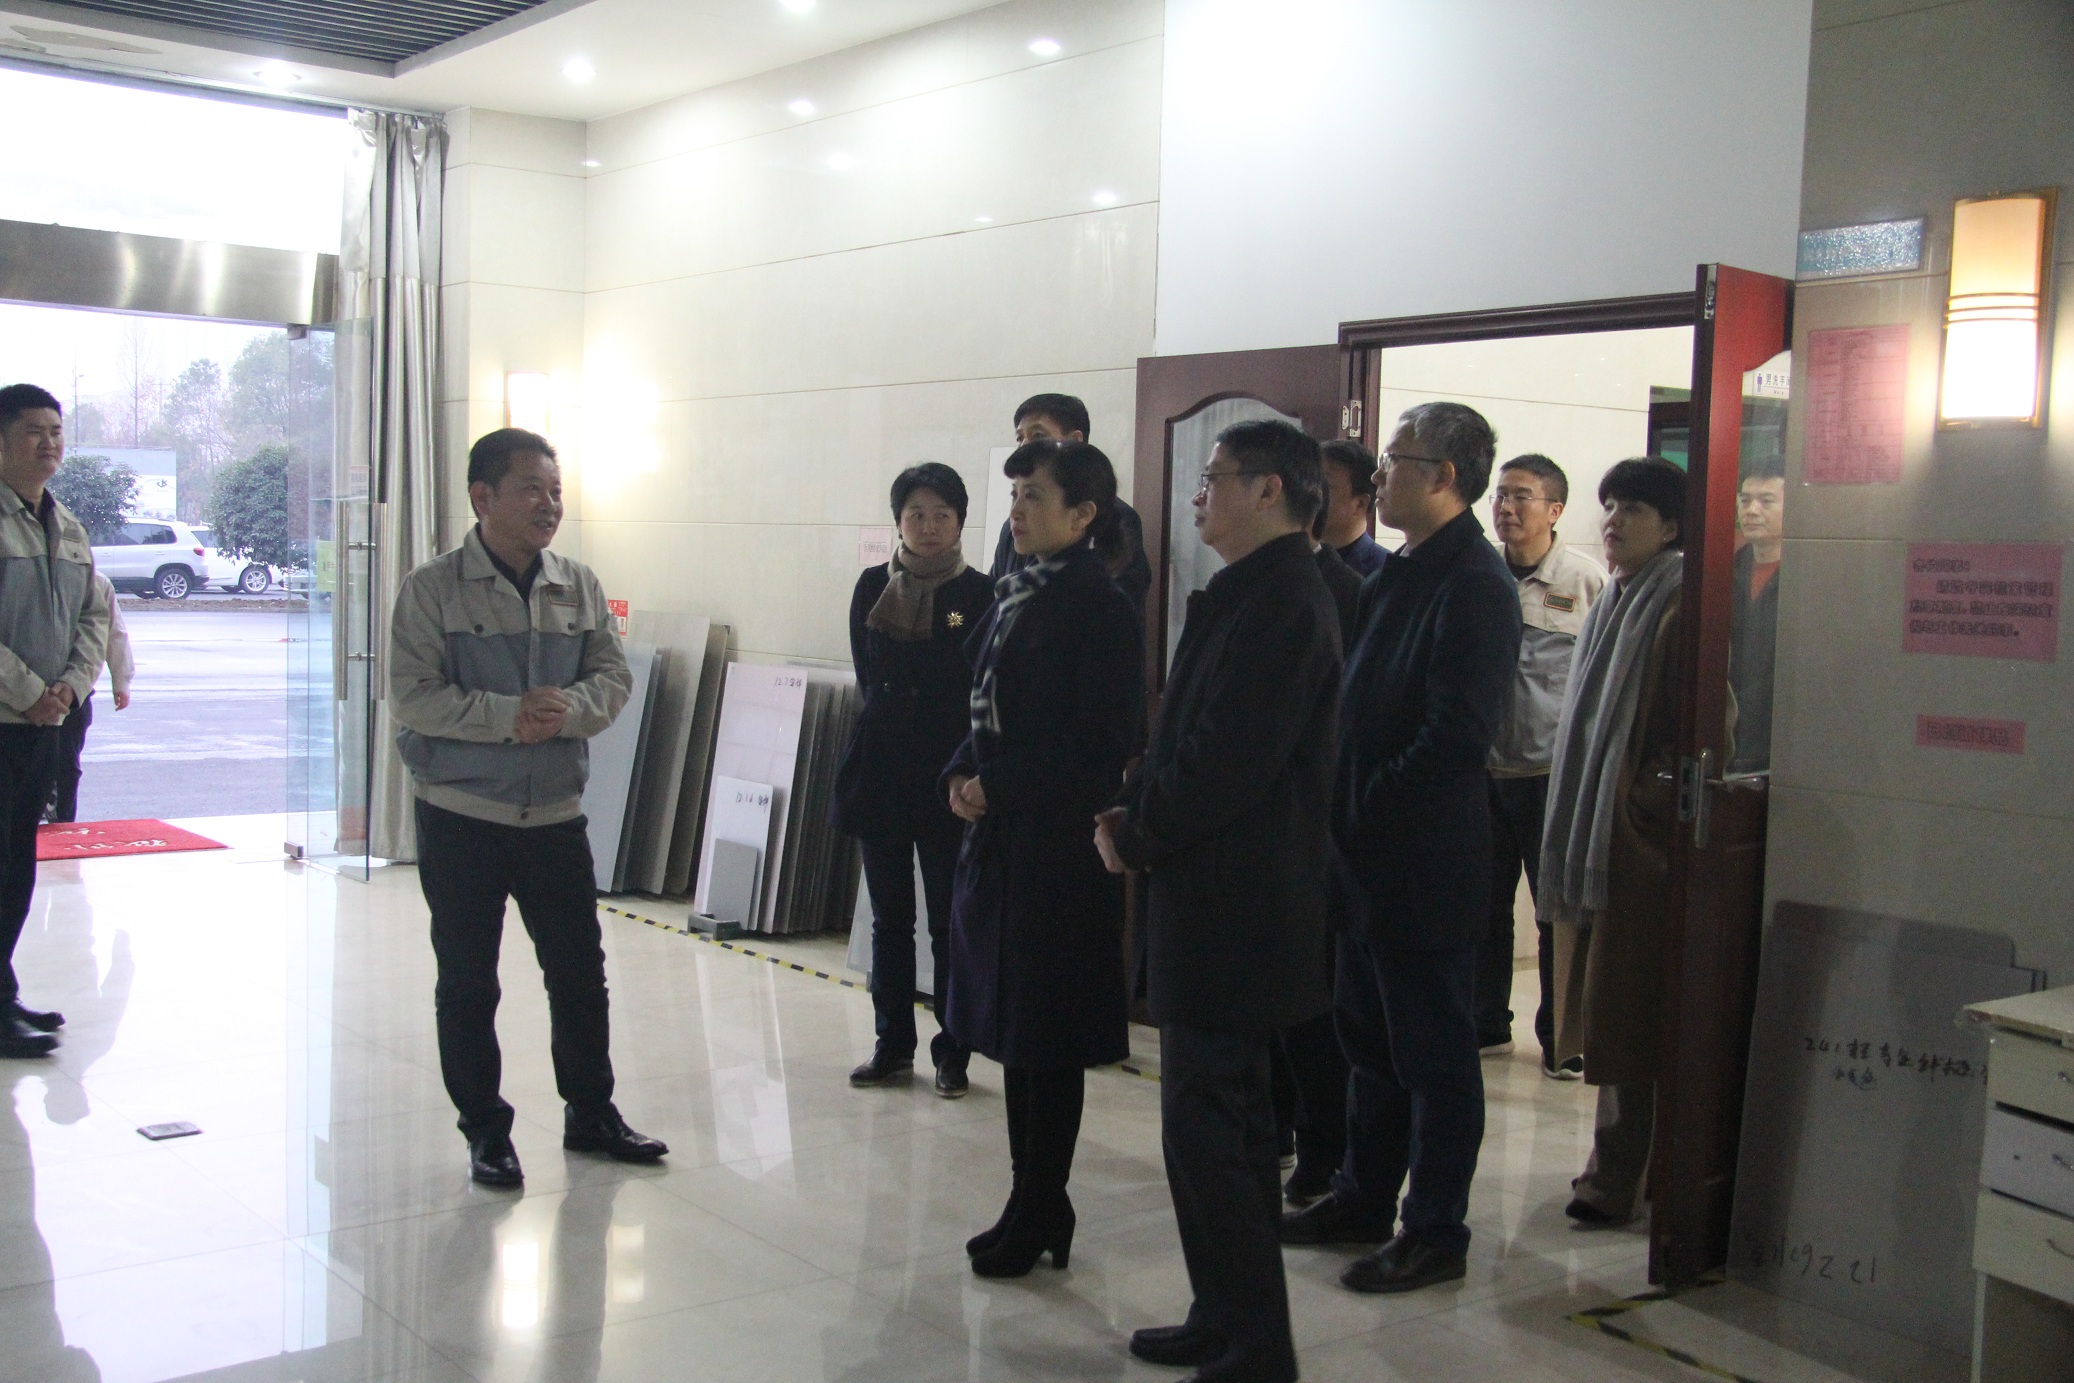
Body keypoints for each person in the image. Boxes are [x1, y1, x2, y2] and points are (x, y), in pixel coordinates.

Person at [1098, 419, 1340, 1383]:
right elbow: (1185, 738)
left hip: (1240, 906)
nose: (1198, 496)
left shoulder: (1286, 602)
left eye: (1215, 478)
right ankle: (1223, 1312)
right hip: (1210, 896)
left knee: (1220, 1132)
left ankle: (1256, 1345)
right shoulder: (1248, 591)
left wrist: (1138, 830)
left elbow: (1228, 764)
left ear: (1270, 489)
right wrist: (1138, 800)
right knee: (1207, 1129)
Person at [1281, 402, 1521, 1295]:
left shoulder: (1476, 584)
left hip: (1423, 860)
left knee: (1434, 1060)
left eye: (1395, 459)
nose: (1379, 475)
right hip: (1362, 858)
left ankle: (1435, 1229)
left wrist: (1364, 807)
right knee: (1368, 1044)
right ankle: (1362, 1196)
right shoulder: (1400, 570)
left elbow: (1454, 736)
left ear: (1445, 476)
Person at [390, 427, 665, 1187]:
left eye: (555, 490)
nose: (549, 505)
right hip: (462, 816)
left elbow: (612, 678)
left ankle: (591, 1112)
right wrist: (507, 716)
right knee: (469, 981)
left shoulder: (577, 584)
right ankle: (485, 1129)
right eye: (531, 490)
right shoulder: (431, 589)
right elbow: (412, 695)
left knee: (578, 973)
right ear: (482, 497)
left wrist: (566, 710)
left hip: (553, 816)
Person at [944, 438, 1141, 1278]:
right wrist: (962, 772)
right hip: (1004, 841)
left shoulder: (1097, 605)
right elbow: (985, 708)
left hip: (1058, 848)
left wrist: (998, 784)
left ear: (1084, 514)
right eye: (1016, 494)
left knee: (1047, 1036)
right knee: (1015, 1033)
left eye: (1035, 496)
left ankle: (1042, 1199)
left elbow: (1100, 742)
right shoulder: (1016, 591)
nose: (1018, 510)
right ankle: (1032, 1199)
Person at [1539, 457, 1689, 1228]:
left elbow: (1702, 730)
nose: (1614, 521)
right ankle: (1623, 1170)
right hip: (1602, 839)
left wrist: (1638, 807)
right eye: (1611, 506)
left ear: (1671, 526)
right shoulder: (1616, 600)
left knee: (1630, 1015)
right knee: (1610, 1011)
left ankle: (1620, 1176)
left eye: (1634, 509)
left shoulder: (1679, 604)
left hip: (1635, 847)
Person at [833, 462, 996, 1097]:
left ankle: (953, 1053)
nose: (928, 527)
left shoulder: (980, 594)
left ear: (960, 522)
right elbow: (865, 672)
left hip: (947, 776)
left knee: (948, 923)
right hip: (880, 771)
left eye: (941, 515)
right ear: (898, 522)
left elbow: (983, 689)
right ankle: (892, 1045)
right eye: (915, 515)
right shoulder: (872, 586)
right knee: (889, 920)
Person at [1476, 455, 1605, 1076]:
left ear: (1554, 510)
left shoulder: (1585, 581)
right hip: (1483, 771)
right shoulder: (1479, 575)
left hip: (1551, 775)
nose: (1506, 507)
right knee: (1483, 907)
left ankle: (1561, 1040)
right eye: (1500, 495)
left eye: (1521, 496)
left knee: (1555, 910)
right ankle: (1484, 1024)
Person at [0, 384, 109, 1060]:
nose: (49, 443)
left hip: (46, 724)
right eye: (34, 431)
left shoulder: (67, 524)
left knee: (17, 863)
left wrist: (70, 687)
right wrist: (30, 691)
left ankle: (3, 995)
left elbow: (96, 615)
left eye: (57, 431)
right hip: (8, 718)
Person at [1271, 497, 1363, 1208]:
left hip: (1314, 827)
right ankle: (1279, 1130)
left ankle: (1323, 1146)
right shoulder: (1252, 585)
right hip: (1271, 835)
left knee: (1309, 1005)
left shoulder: (1338, 592)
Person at [988, 394, 1153, 620]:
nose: (1024, 447)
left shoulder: (1118, 518)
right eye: (1019, 438)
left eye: (1038, 436)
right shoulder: (1011, 529)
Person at [47, 570, 133, 824]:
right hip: (20, 692)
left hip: (74, 693)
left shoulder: (96, 582)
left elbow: (114, 632)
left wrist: (121, 680)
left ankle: (62, 827)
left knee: (66, 767)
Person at [1730, 456, 1783, 773]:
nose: (1751, 510)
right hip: (1727, 730)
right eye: (1745, 500)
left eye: (1766, 501)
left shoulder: (1810, 576)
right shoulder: (1724, 570)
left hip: (1779, 732)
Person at [1319, 439, 1387, 577]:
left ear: (1360, 504)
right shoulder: (1291, 559)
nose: (1310, 493)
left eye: (1324, 487)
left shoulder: (1384, 571)